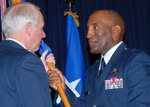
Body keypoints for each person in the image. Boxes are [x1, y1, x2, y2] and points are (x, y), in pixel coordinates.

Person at [52, 10, 150, 107]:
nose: (88, 34)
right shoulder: (92, 70)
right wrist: (62, 89)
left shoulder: (135, 61)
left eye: (95, 27)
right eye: (88, 28)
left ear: (115, 31)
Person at [0, 2, 64, 107]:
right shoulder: (28, 62)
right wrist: (39, 76)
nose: (44, 35)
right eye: (41, 28)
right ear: (29, 29)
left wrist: (39, 74)